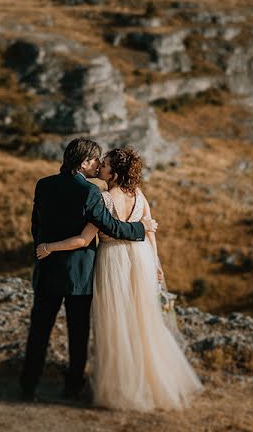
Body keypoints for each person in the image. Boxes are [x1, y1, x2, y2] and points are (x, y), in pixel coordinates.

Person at [36, 146, 203, 411]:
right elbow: (150, 233)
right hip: (141, 260)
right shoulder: (138, 194)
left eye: (105, 165)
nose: (100, 166)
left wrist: (48, 247)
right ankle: (147, 382)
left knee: (115, 325)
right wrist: (157, 264)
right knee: (140, 322)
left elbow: (83, 239)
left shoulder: (104, 198)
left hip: (114, 262)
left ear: (113, 173)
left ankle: (120, 387)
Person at [19, 138, 159, 402]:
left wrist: (43, 248)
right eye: (95, 160)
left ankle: (28, 385)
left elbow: (35, 225)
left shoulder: (44, 185)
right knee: (78, 333)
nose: (98, 165)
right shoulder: (91, 193)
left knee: (39, 330)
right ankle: (73, 387)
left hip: (47, 268)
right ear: (84, 162)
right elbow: (111, 227)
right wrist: (143, 228)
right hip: (80, 274)